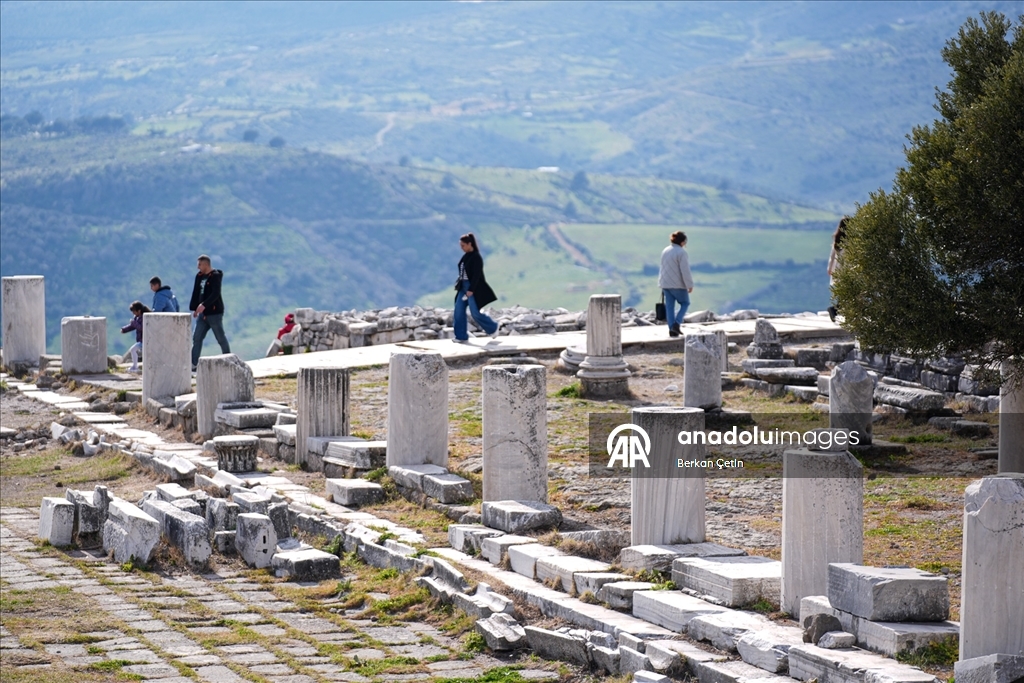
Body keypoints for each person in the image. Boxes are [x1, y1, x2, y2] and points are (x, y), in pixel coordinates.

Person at [452, 233, 499, 343]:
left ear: (470, 244)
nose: (461, 248)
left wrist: (471, 289)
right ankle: (461, 336)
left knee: (475, 313)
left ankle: (493, 327)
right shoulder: (465, 256)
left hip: (471, 287)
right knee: (458, 310)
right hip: (462, 286)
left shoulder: (476, 257)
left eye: (463, 245)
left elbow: (477, 275)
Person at [189, 254, 230, 370]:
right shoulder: (199, 276)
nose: (198, 267)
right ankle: (193, 363)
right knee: (197, 337)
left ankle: (228, 360)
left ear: (206, 264)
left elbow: (215, 294)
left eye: (200, 265)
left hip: (214, 313)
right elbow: (196, 292)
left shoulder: (215, 276)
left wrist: (204, 305)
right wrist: (195, 308)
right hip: (202, 315)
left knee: (220, 338)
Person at [658, 230, 694, 337]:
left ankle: (671, 329)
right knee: (685, 303)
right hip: (677, 284)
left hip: (665, 283)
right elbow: (685, 271)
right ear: (682, 242)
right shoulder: (681, 253)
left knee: (670, 306)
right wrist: (689, 285)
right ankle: (677, 324)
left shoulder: (665, 250)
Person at [827, 217, 849, 323]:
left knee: (844, 294)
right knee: (848, 293)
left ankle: (838, 311)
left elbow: (832, 257)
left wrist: (830, 268)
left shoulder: (837, 241)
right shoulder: (849, 242)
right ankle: (835, 310)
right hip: (846, 271)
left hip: (838, 271)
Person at [120, 301, 150, 373]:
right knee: (134, 350)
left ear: (139, 310)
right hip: (141, 340)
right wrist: (124, 330)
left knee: (133, 350)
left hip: (145, 340)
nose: (133, 313)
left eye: (134, 311)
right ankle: (135, 367)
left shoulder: (144, 317)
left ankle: (135, 367)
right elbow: (133, 326)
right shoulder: (137, 317)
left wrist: (134, 323)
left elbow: (142, 328)